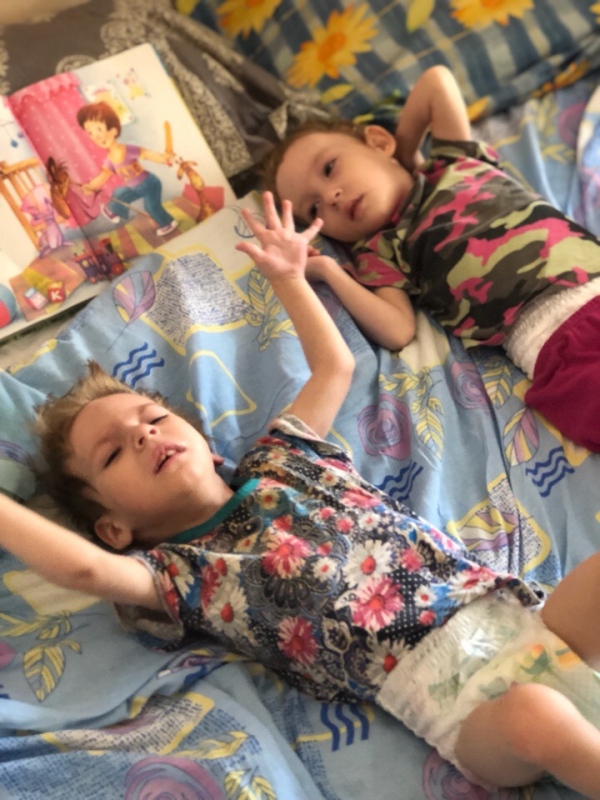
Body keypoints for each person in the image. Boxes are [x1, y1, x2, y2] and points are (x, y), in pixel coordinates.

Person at [2, 192, 600, 797]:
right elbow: (82, 569)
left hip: (517, 617)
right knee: (539, 718)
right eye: (112, 454)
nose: (143, 435)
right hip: (455, 701)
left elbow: (334, 367)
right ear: (114, 529)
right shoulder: (183, 573)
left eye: (153, 418)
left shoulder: (285, 457)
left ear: (207, 445)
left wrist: (289, 277)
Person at [262, 65, 600, 452]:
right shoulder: (381, 252)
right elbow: (397, 330)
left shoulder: (453, 161)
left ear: (378, 141)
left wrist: (403, 153)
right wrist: (327, 270)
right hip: (551, 341)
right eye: (314, 208)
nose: (331, 197)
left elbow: (437, 82)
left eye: (329, 168)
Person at [77, 101, 179, 236]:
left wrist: (164, 159)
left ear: (113, 130)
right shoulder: (109, 159)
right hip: (134, 188)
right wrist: (90, 186)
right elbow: (104, 175)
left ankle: (168, 223)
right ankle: (113, 211)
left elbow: (147, 154)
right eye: (90, 132)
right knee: (119, 192)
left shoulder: (127, 150)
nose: (96, 136)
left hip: (150, 184)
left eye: (99, 129)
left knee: (151, 207)